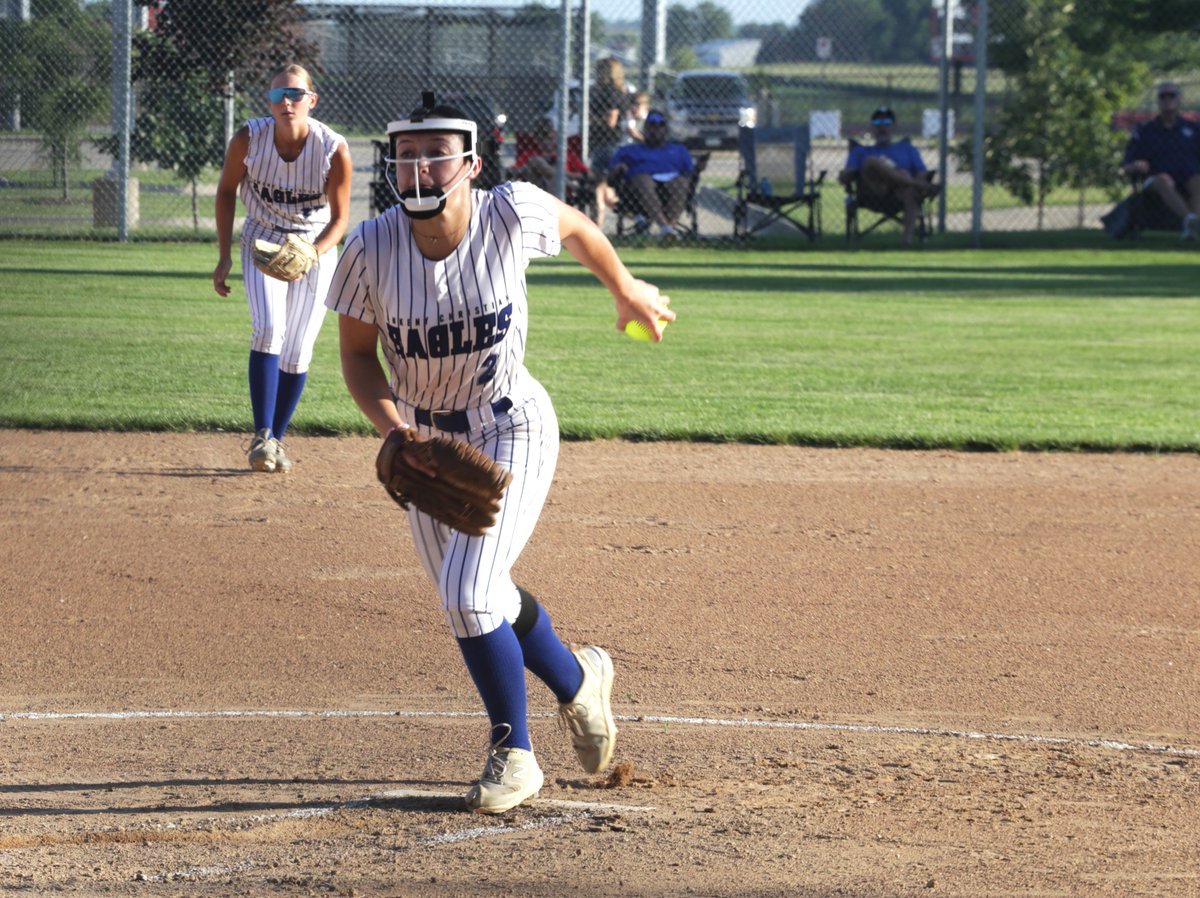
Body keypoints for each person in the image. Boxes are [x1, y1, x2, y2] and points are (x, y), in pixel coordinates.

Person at [324, 93, 673, 815]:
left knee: (467, 592)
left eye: (436, 152)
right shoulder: (369, 246)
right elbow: (358, 357)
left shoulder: (509, 211)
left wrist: (625, 289)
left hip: (512, 425)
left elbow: (577, 227)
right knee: (481, 597)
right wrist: (395, 432)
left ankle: (514, 754)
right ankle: (579, 682)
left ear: (471, 163)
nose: (420, 167)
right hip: (425, 445)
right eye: (408, 154)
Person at [214, 64, 352, 473]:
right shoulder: (249, 139)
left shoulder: (332, 149)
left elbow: (340, 220)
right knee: (269, 329)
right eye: (277, 95)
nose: (286, 102)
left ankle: (276, 440)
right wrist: (223, 255)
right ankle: (261, 435)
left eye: (295, 94)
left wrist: (313, 252)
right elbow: (226, 192)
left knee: (298, 350)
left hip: (314, 243)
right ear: (269, 102)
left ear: (312, 100)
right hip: (262, 239)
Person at [838, 106, 938, 246]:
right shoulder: (861, 151)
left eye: (886, 122)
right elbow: (847, 175)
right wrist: (845, 175)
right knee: (871, 161)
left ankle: (906, 242)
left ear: (894, 126)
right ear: (871, 127)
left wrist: (921, 178)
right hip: (873, 192)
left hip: (900, 193)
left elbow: (922, 172)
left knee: (908, 186)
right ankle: (918, 185)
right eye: (877, 123)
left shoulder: (908, 149)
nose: (882, 126)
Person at [1119, 81, 1200, 240]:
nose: (1167, 99)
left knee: (1197, 180)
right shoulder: (1145, 131)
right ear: (1158, 100)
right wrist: (1135, 165)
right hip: (1155, 179)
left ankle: (1193, 230)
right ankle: (1191, 221)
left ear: (1179, 98)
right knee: (1164, 180)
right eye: (1163, 96)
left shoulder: (1194, 129)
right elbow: (1126, 165)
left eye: (1171, 95)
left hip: (1188, 176)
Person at [607, 110, 696, 239]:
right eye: (651, 127)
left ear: (665, 130)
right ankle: (665, 227)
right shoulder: (628, 150)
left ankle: (669, 228)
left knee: (681, 182)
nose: (655, 131)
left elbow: (691, 174)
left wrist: (699, 168)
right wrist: (618, 168)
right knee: (643, 179)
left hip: (670, 188)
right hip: (637, 191)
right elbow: (610, 179)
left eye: (660, 127)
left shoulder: (679, 150)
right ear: (644, 130)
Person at [588, 57, 628, 229]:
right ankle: (629, 212)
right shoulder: (602, 91)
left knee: (599, 184)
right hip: (600, 143)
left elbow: (611, 120)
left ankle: (597, 222)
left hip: (608, 142)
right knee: (602, 185)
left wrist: (590, 118)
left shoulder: (611, 92)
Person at [508, 117, 589, 196]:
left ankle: (569, 186)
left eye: (549, 138)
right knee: (536, 161)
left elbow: (587, 175)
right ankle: (575, 187)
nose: (546, 142)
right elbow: (514, 170)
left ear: (555, 136)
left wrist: (563, 173)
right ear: (536, 140)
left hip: (561, 193)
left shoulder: (565, 154)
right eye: (541, 139)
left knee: (552, 177)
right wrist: (530, 168)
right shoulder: (529, 154)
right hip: (537, 193)